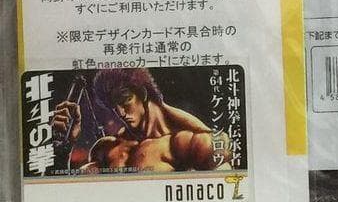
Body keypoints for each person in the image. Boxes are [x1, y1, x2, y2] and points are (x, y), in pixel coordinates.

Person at [51, 67, 232, 173]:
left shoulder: (186, 142)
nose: (120, 113)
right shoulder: (106, 148)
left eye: (125, 100)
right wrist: (63, 148)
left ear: (143, 94)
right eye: (114, 107)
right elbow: (68, 194)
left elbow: (227, 191)